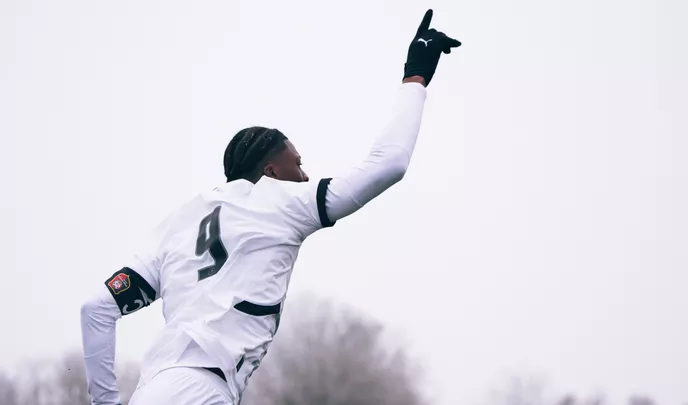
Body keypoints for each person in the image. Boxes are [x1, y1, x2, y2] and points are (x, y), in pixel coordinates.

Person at [80, 9, 461, 405]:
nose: (304, 174)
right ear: (270, 171)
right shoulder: (278, 200)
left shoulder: (181, 221)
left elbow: (97, 310)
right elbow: (390, 162)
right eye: (297, 163)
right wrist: (415, 77)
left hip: (154, 389)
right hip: (202, 391)